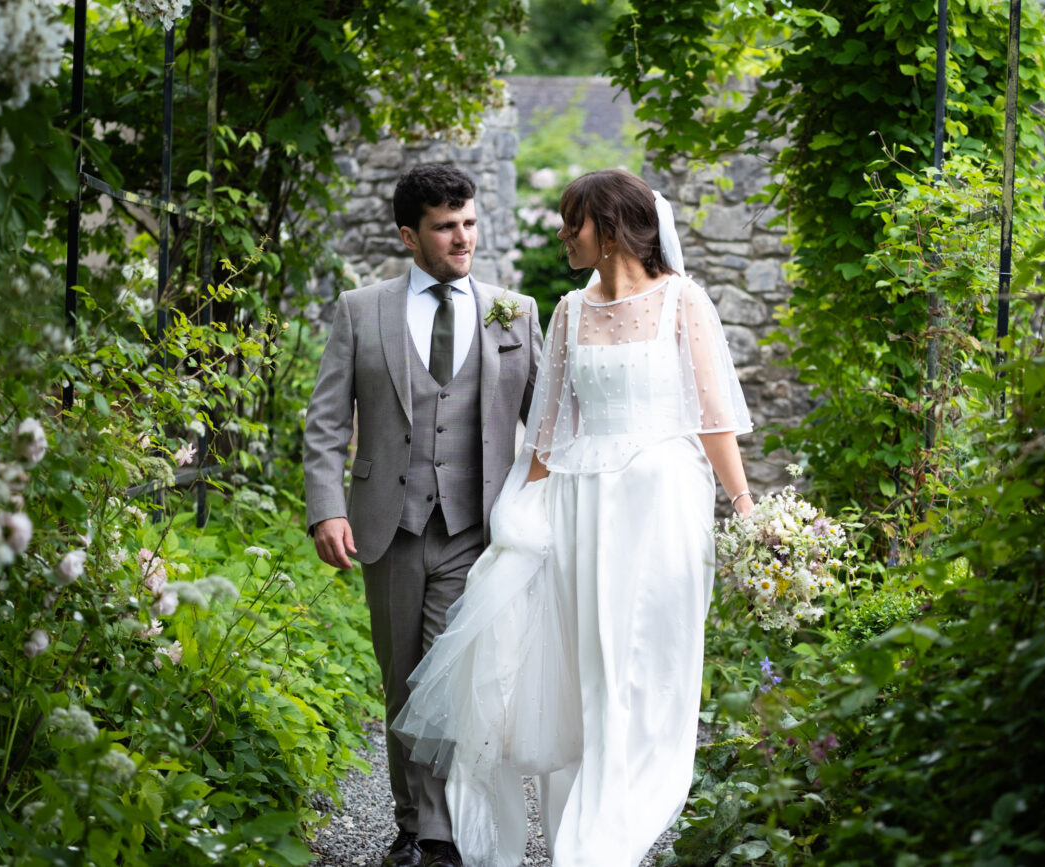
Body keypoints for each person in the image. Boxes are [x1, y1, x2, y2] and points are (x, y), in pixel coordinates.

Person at [393, 168, 754, 866]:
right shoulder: (568, 311)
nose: (563, 233)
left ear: (611, 228)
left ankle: (620, 823)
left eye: (574, 221)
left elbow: (713, 417)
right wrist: (517, 522)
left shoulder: (683, 301)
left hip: (663, 512)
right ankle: (584, 840)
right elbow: (550, 431)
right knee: (589, 673)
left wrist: (744, 505)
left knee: (650, 669)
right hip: (582, 511)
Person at [303, 163, 542, 867]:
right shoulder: (360, 308)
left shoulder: (514, 310)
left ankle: (436, 834)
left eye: (468, 223)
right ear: (410, 235)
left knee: (450, 674)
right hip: (389, 522)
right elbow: (323, 424)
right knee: (403, 677)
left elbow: (548, 423)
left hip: (477, 528)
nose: (462, 238)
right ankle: (410, 820)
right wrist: (325, 509)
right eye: (445, 227)